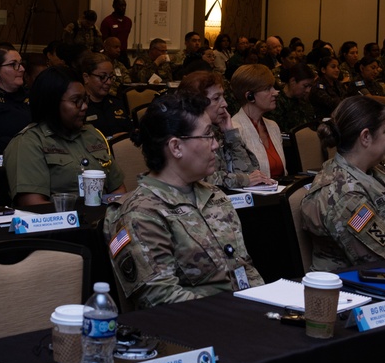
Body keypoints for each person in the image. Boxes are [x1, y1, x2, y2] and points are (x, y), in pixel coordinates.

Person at [103, 93, 264, 309]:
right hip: (193, 330)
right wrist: (238, 313)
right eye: (207, 136)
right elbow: (161, 300)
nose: (215, 145)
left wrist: (263, 306)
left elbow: (244, 269)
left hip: (244, 316)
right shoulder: (140, 213)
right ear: (176, 147)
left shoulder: (214, 195)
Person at [300, 96, 385, 271]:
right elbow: (383, 261)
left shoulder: (373, 172)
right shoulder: (345, 197)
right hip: (355, 287)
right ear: (365, 137)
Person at [3, 66, 124, 206]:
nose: (84, 106)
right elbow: (33, 205)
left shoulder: (91, 134)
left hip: (104, 220)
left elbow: (118, 189)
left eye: (85, 100)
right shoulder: (28, 143)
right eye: (76, 101)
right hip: (61, 223)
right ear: (52, 104)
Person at [179, 70, 271, 188]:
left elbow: (250, 173)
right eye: (216, 98)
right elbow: (200, 179)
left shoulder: (218, 131)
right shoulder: (185, 136)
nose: (225, 104)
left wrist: (231, 134)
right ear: (196, 103)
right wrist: (243, 180)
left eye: (223, 97)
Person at [230, 64, 286, 179]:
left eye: (273, 87)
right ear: (250, 96)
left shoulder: (273, 126)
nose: (275, 92)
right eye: (267, 89)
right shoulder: (234, 129)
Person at [81, 52, 132, 138]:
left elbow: (131, 131)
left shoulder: (116, 103)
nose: (108, 82)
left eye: (111, 77)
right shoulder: (80, 107)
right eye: (102, 77)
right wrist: (110, 140)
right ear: (86, 77)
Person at [267, 63, 317, 133]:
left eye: (310, 86)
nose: (308, 90)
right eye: (305, 86)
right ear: (293, 81)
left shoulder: (303, 100)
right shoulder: (276, 102)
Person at [310, 55, 347, 119]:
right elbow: (332, 103)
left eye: (338, 67)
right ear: (323, 70)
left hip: (340, 116)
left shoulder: (337, 83)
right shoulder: (318, 86)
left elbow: (346, 96)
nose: (337, 70)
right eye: (333, 67)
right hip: (324, 120)